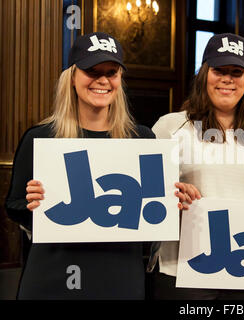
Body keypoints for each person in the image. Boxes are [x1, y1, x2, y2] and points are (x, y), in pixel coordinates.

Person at [4, 32, 194, 299]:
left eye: (111, 72)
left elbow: (153, 217)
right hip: (53, 272)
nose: (102, 80)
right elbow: (14, 206)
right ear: (72, 77)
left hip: (119, 273)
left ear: (119, 79)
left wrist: (171, 198)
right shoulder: (41, 137)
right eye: (92, 71)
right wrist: (32, 203)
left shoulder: (142, 138)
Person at [149, 33, 244, 300]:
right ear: (204, 75)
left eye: (236, 71)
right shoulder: (170, 126)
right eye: (219, 70)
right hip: (182, 272)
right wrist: (173, 195)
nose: (227, 79)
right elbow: (149, 201)